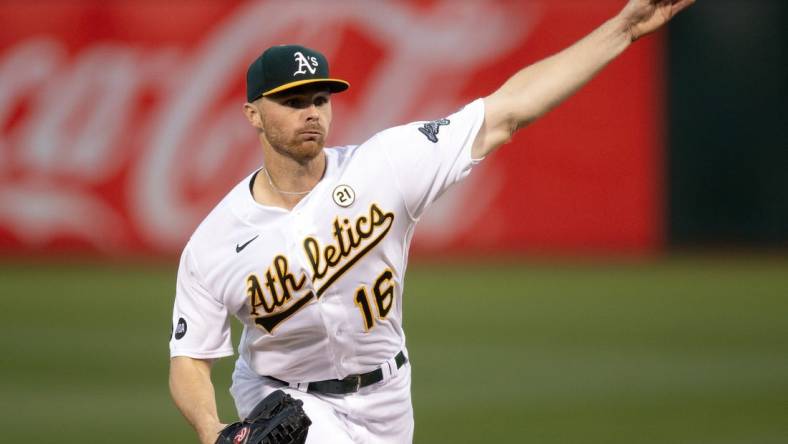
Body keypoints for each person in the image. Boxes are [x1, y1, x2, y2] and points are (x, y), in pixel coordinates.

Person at [168, 1, 695, 442]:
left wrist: (622, 29)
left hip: (388, 398)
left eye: (320, 99)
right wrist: (213, 430)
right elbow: (189, 361)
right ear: (252, 114)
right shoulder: (215, 242)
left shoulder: (386, 165)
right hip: (283, 400)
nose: (312, 112)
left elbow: (508, 110)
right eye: (291, 101)